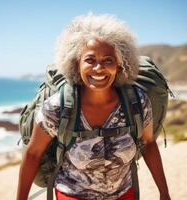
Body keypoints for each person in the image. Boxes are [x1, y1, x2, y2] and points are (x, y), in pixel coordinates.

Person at [16, 13, 171, 200]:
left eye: (108, 60)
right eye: (90, 60)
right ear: (76, 63)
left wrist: (164, 193)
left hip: (124, 194)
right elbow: (33, 154)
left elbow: (149, 144)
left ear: (120, 65)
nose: (99, 68)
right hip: (73, 194)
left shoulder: (137, 102)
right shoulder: (58, 108)